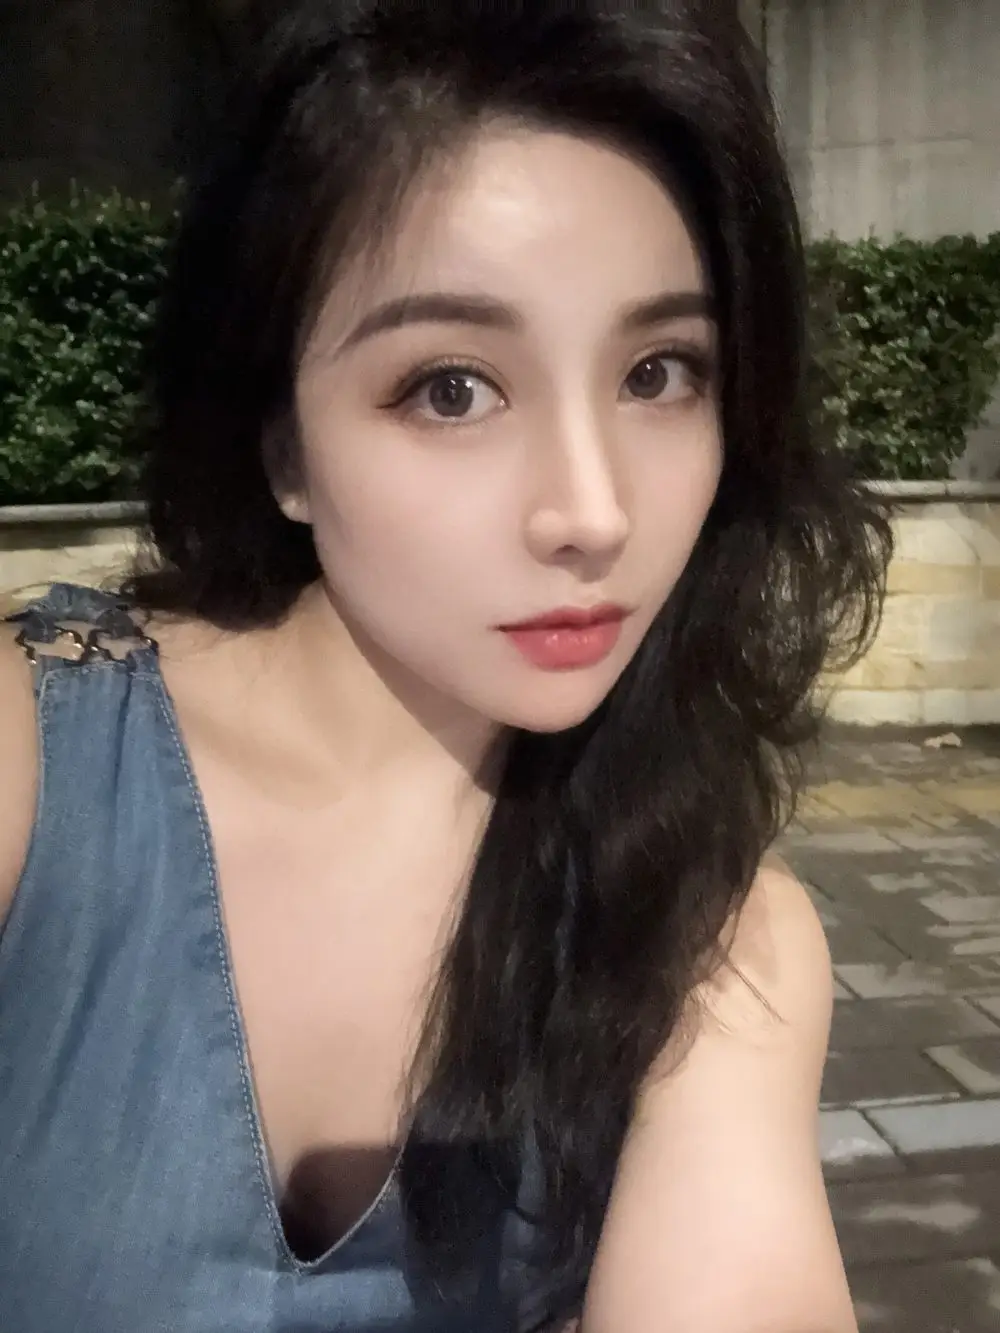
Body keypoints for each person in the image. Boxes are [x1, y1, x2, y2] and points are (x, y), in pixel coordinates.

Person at [0, 2, 892, 1330]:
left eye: (659, 373)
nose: (592, 512)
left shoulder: (714, 940)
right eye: (453, 389)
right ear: (282, 445)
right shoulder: (36, 770)